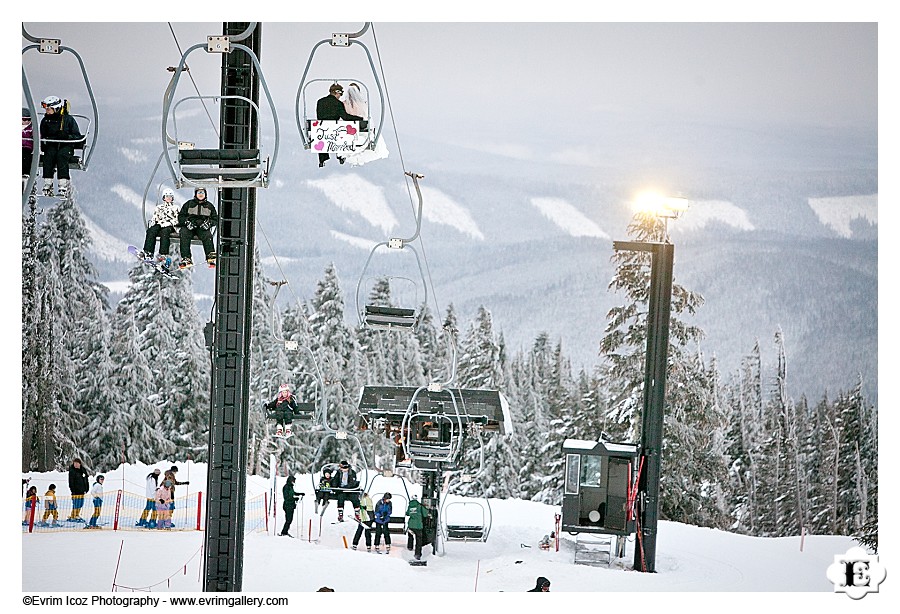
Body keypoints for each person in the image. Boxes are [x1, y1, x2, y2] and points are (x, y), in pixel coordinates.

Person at [38, 95, 82, 198]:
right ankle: (48, 183)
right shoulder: (45, 121)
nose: (47, 111)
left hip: (66, 147)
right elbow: (42, 135)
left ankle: (63, 185)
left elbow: (77, 136)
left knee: (62, 156)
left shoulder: (68, 120)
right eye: (46, 109)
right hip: (52, 146)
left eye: (49, 109)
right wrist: (45, 144)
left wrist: (67, 136)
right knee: (49, 156)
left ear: (56, 108)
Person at [341, 82, 389, 167]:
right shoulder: (363, 104)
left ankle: (347, 156)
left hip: (348, 129)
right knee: (367, 143)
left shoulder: (344, 104)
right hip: (361, 129)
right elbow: (367, 117)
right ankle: (353, 157)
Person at [314, 83, 357, 168]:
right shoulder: (338, 103)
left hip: (321, 130)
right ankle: (341, 155)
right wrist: (359, 118)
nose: (340, 96)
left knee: (326, 130)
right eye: (340, 94)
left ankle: (322, 159)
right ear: (337, 92)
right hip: (334, 130)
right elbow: (345, 117)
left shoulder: (320, 101)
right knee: (342, 130)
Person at [177, 187, 218, 268]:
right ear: (195, 194)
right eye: (199, 193)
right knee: (184, 233)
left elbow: (215, 219)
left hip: (202, 226)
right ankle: (186, 257)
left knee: (207, 235)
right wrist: (186, 222)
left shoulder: (209, 206)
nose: (200, 194)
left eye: (202, 193)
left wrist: (209, 223)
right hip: (190, 226)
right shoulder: (189, 204)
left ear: (205, 194)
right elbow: (181, 216)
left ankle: (210, 256)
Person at [140, 188, 180, 266]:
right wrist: (153, 222)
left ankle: (163, 254)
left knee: (165, 233)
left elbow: (178, 219)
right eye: (167, 196)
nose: (168, 198)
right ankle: (148, 251)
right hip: (160, 223)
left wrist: (170, 223)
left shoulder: (176, 208)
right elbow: (155, 217)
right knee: (151, 231)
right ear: (163, 197)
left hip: (170, 226)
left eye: (170, 196)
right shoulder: (159, 208)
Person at [405, 495, 431, 561]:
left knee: (410, 536)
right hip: (418, 525)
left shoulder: (410, 506)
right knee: (419, 540)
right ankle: (417, 554)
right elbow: (425, 514)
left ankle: (410, 547)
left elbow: (407, 513)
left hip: (411, 524)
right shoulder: (420, 506)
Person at [66, 457, 90, 523]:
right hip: (75, 491)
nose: (76, 465)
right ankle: (73, 515)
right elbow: (71, 482)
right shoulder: (72, 471)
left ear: (80, 464)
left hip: (82, 491)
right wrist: (72, 490)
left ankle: (77, 514)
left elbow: (86, 480)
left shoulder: (83, 470)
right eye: (75, 463)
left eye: (77, 463)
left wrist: (86, 488)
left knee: (80, 504)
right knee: (76, 504)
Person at [23, 107, 34, 187]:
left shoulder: (32, 128)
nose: (26, 122)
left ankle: (25, 173)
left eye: (28, 120)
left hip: (27, 147)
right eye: (24, 119)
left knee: (26, 156)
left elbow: (37, 136)